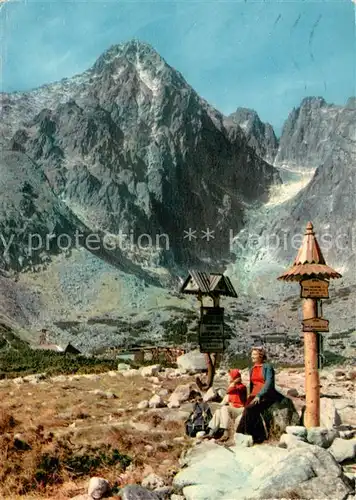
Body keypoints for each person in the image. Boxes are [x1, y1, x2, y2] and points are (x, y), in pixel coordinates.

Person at [236, 347, 283, 444]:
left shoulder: (267, 367)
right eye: (252, 354)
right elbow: (252, 385)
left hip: (266, 394)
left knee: (250, 409)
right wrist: (250, 396)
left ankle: (243, 434)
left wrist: (259, 395)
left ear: (261, 356)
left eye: (254, 354)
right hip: (254, 394)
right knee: (247, 409)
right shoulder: (252, 369)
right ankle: (258, 436)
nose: (251, 356)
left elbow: (269, 383)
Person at [205, 368, 247, 442]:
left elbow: (229, 390)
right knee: (218, 411)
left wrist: (234, 382)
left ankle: (226, 432)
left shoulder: (242, 387)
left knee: (224, 408)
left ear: (234, 377)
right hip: (233, 409)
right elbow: (224, 399)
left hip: (240, 409)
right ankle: (211, 432)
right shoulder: (233, 386)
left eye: (230, 376)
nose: (228, 377)